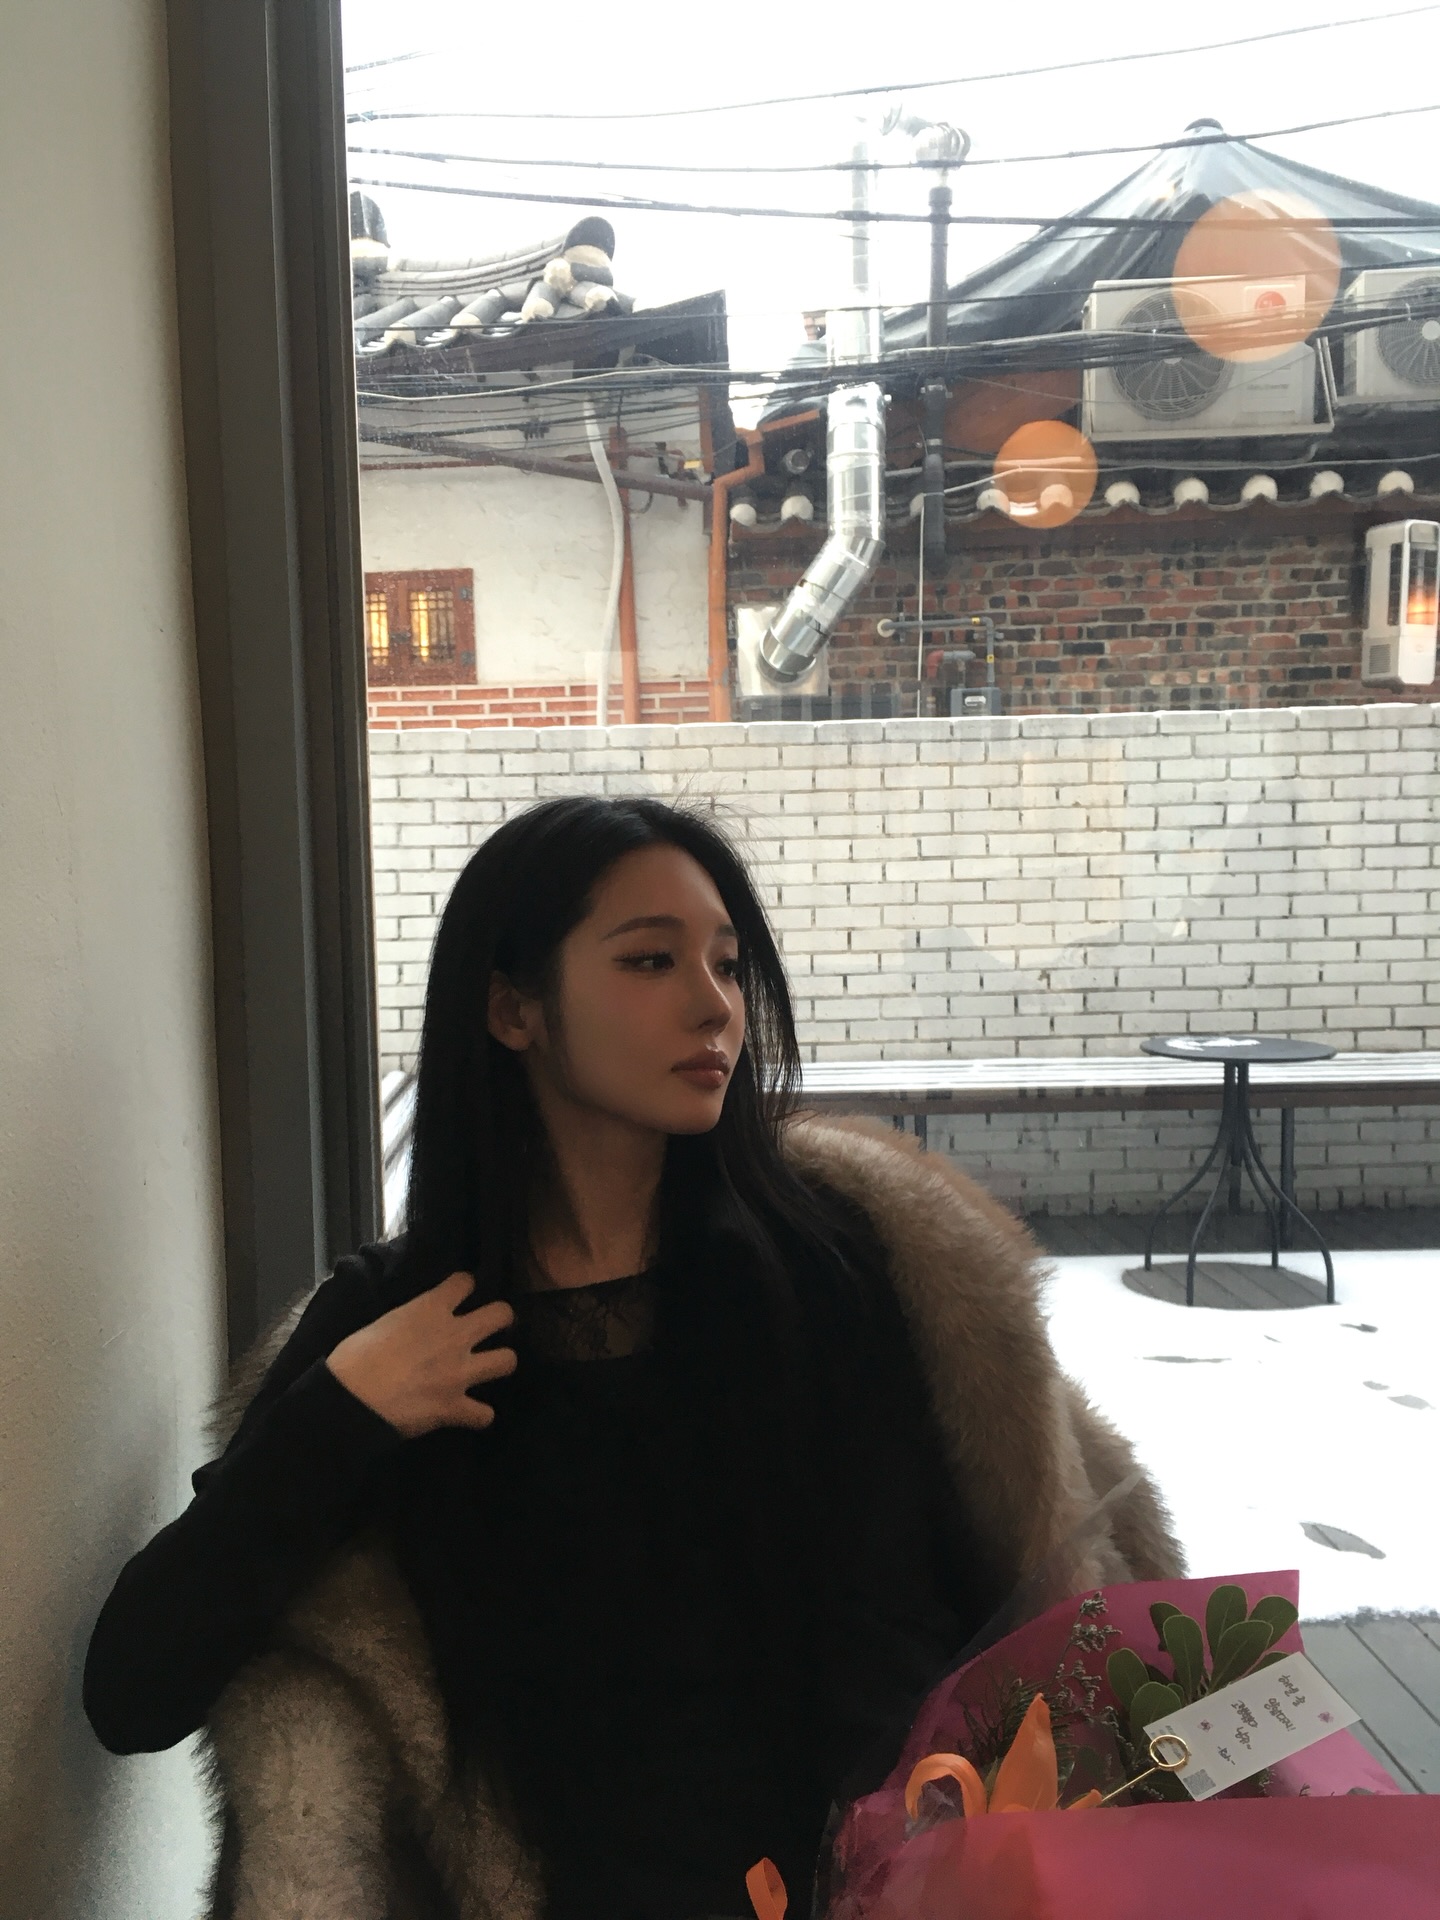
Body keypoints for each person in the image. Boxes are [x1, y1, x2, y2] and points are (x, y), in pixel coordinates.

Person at [84, 795, 1182, 1920]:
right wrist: (344, 1413)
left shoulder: (831, 1267)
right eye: (652, 960)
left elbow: (912, 1635)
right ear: (512, 1010)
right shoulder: (400, 1325)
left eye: (728, 964)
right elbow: (132, 1688)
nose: (714, 1005)